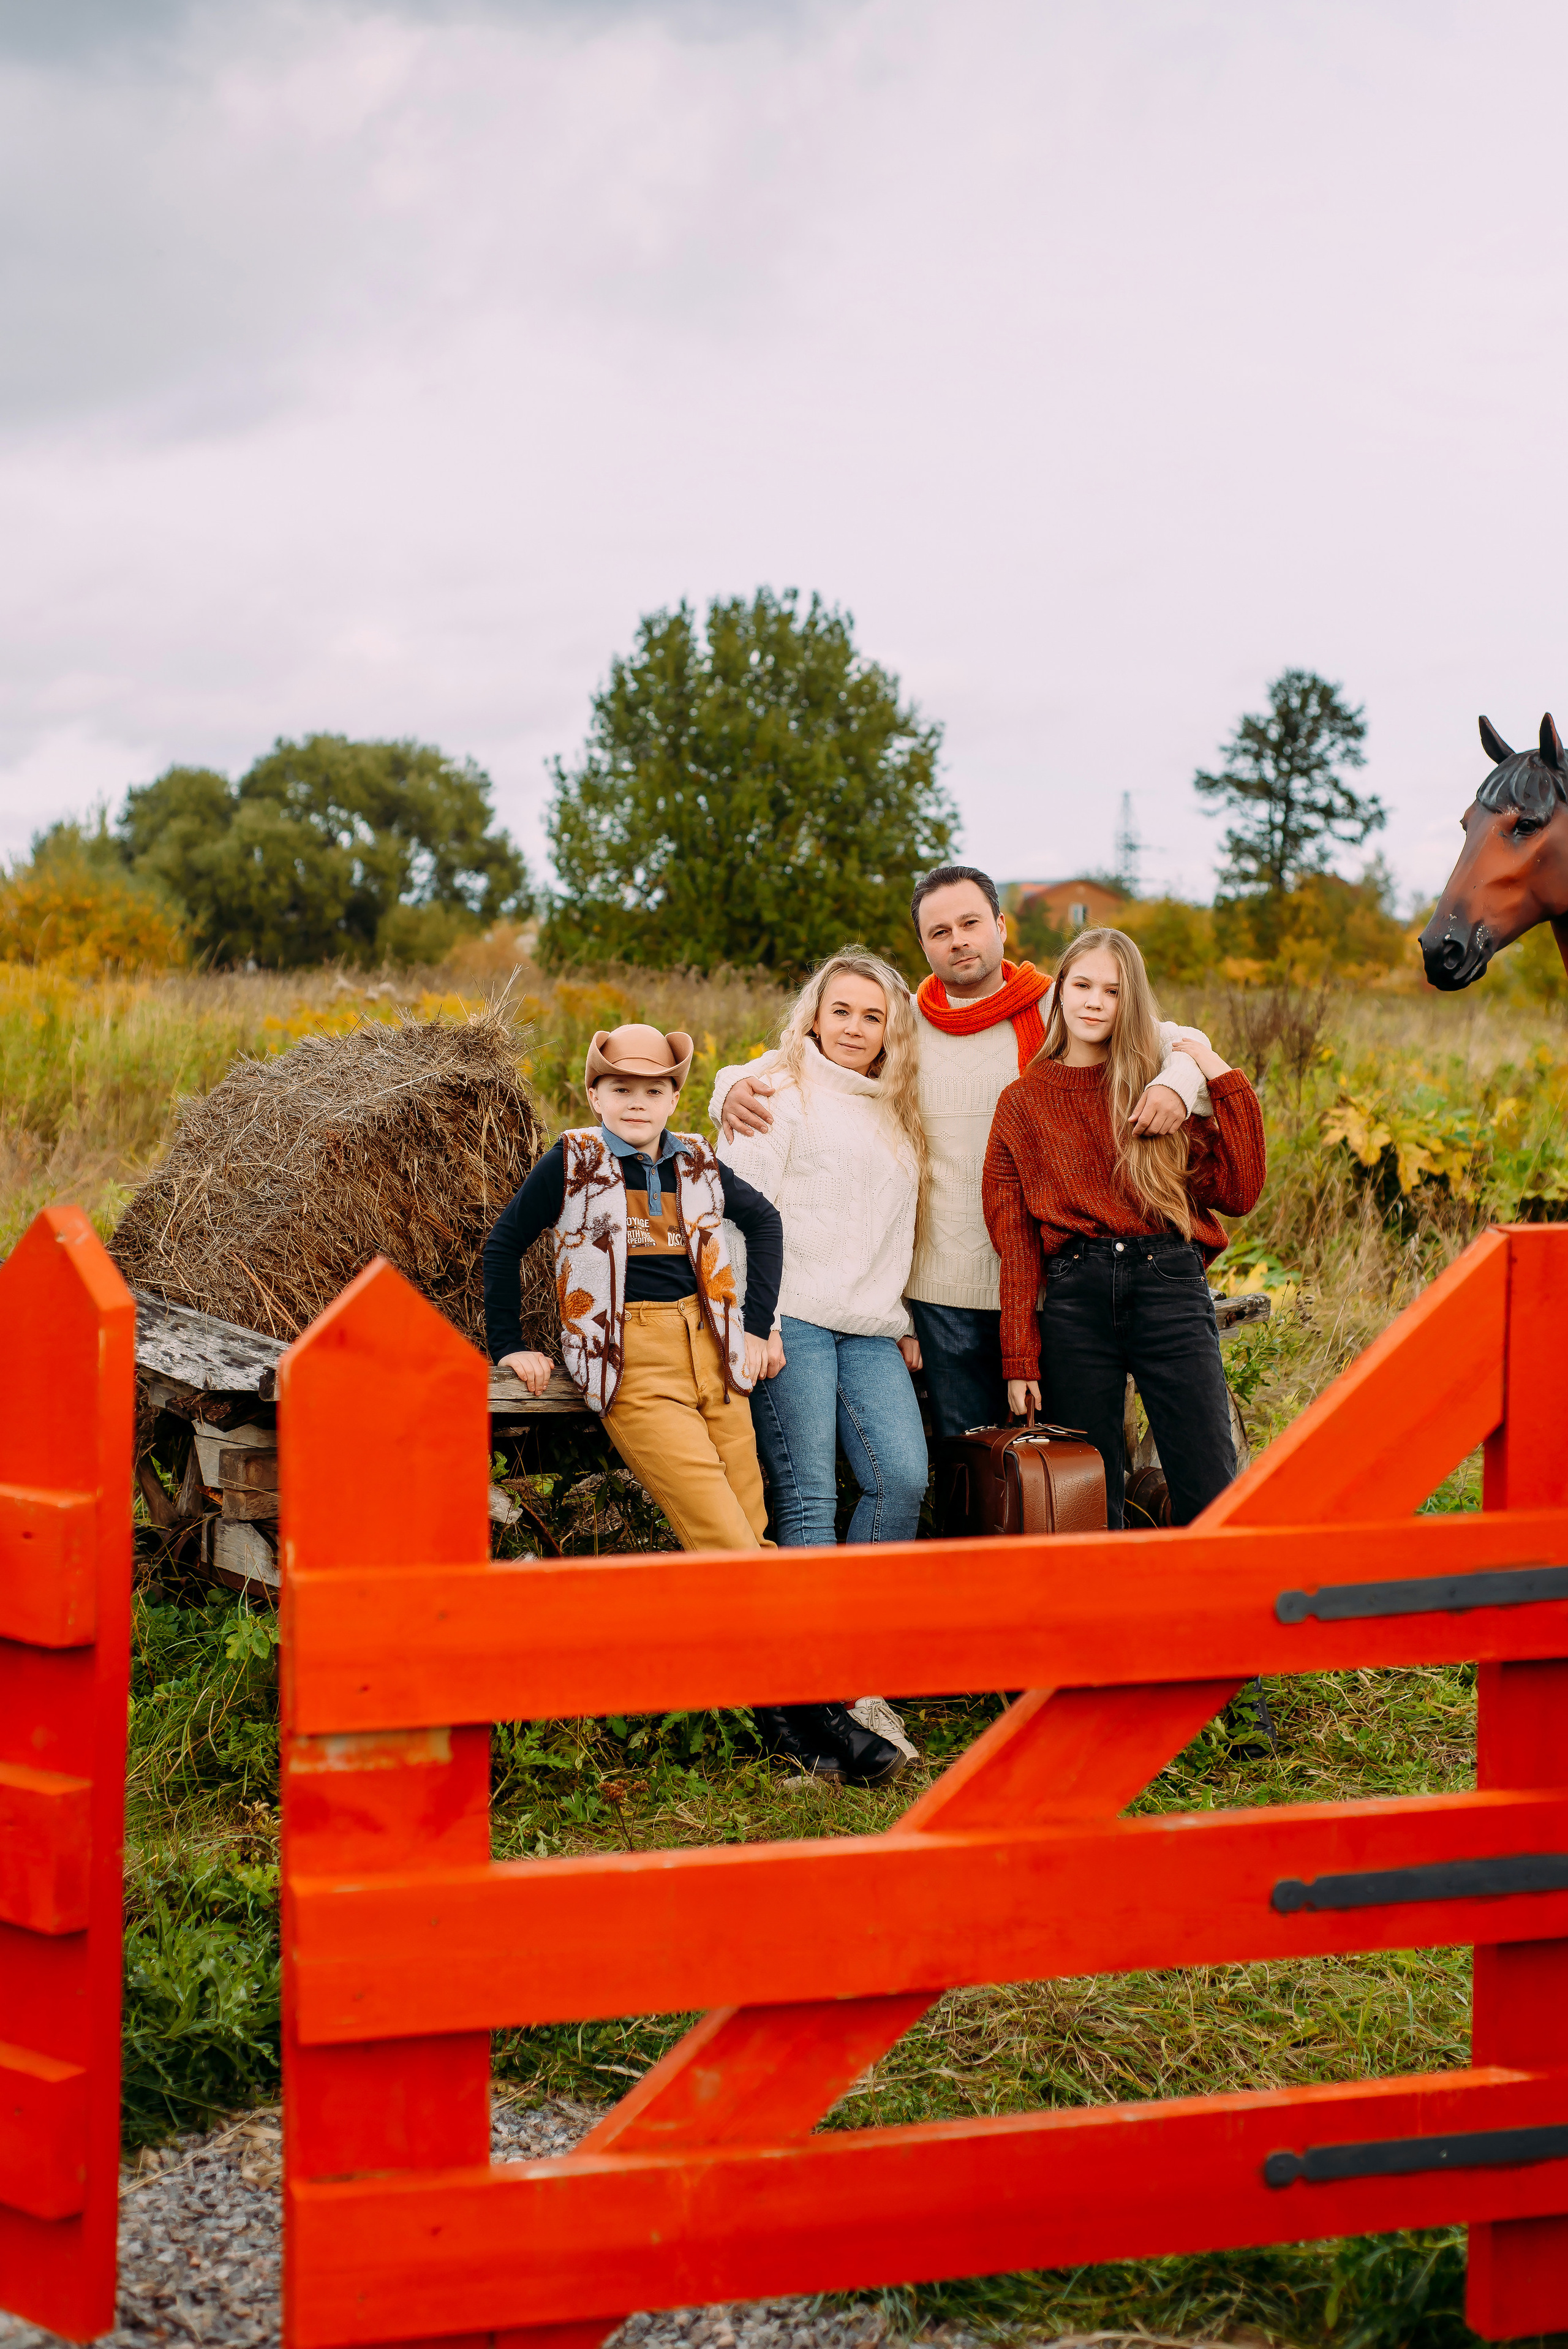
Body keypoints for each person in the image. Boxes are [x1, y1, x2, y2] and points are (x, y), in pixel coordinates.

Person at [715, 866, 1209, 1443]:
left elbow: (1186, 1045)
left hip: (1053, 1279)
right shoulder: (904, 1024)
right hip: (941, 1290)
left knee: (1065, 1463)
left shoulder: (1062, 1006)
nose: (959, 940)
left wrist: (1176, 1083)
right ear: (924, 946)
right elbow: (802, 1060)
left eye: (971, 923)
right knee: (971, 1466)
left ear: (1000, 925)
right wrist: (727, 1084)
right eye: (940, 931)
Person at [719, 950, 928, 1786]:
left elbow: (891, 1224)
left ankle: (851, 1674)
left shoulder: (894, 1110)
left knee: (902, 1479)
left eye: (872, 1016)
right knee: (806, 1495)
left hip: (870, 1324)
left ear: (889, 1032)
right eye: (840, 1010)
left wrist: (902, 1313)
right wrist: (753, 1320)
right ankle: (813, 1715)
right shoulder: (771, 1088)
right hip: (790, 1316)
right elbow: (743, 1210)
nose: (854, 1028)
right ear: (814, 1015)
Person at [981, 928, 1265, 1527]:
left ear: (1128, 1003)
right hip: (1074, 1298)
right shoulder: (1022, 1103)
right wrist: (1019, 1361)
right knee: (1085, 1494)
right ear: (1058, 993)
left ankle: (1208, 1610)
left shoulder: (1161, 1090)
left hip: (1167, 1282)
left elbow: (1240, 1192)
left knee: (1208, 1480)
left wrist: (1200, 1061)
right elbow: (1016, 1248)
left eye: (1111, 992)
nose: (1093, 1002)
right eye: (1081, 985)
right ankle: (1103, 1618)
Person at [483, 1023, 785, 1555]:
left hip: (716, 1350)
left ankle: (748, 1640)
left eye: (653, 1091)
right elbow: (504, 1244)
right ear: (595, 1097)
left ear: (674, 1099)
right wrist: (509, 1345)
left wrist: (756, 1330)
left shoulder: (697, 1158)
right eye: (621, 1089)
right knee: (727, 1542)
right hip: (631, 1360)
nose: (637, 1103)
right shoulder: (573, 1160)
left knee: (756, 1537)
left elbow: (765, 1223)